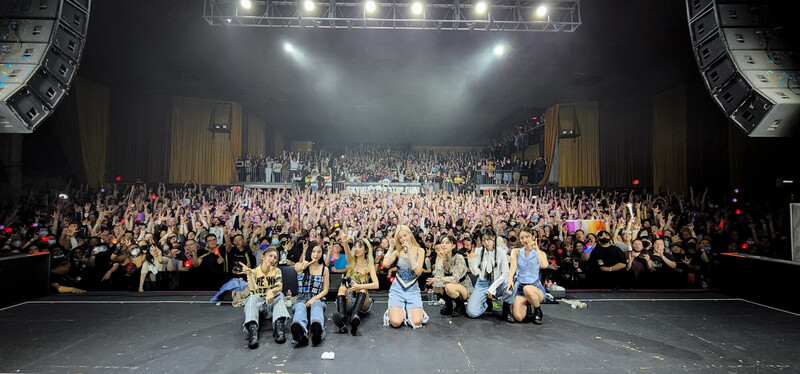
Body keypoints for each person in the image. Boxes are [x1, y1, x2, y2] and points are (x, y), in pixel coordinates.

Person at [237, 247, 290, 349]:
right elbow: (252, 290)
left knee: (280, 295)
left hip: (270, 305)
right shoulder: (254, 271)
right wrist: (249, 275)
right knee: (252, 298)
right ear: (262, 257)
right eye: (270, 256)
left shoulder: (277, 271)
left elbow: (279, 287)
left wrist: (271, 291)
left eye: (275, 257)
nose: (272, 259)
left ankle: (278, 327)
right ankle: (253, 331)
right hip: (258, 306)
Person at [331, 233, 379, 335]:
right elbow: (348, 252)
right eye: (355, 246)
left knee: (362, 290)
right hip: (350, 298)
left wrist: (359, 286)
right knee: (342, 288)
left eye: (360, 247)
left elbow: (376, 284)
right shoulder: (352, 262)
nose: (356, 249)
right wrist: (344, 242)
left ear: (366, 250)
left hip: (362, 302)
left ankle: (355, 317)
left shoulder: (369, 265)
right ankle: (342, 319)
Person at [383, 225, 428, 328]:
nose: (403, 238)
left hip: (413, 290)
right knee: (395, 322)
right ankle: (400, 311)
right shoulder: (397, 252)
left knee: (416, 322)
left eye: (405, 235)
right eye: (400, 237)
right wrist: (391, 247)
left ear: (410, 235)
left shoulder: (420, 251)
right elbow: (385, 265)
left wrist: (409, 253)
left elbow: (418, 271)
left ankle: (409, 310)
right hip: (397, 289)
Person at [465, 227, 514, 322]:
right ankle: (486, 303)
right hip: (483, 282)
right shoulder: (478, 251)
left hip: (497, 281)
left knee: (510, 283)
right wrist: (471, 261)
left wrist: (492, 289)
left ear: (493, 237)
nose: (486, 242)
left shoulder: (501, 252)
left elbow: (505, 273)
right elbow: (476, 273)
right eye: (484, 240)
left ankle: (506, 309)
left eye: (488, 239)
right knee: (472, 312)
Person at [290, 241, 329, 347]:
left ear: (322, 254)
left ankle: (317, 330)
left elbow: (325, 290)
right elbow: (297, 267)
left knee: (316, 305)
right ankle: (300, 333)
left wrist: (314, 299)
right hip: (301, 299)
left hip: (316, 299)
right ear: (309, 252)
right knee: (300, 307)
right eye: (313, 251)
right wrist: (302, 267)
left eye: (319, 252)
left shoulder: (324, 270)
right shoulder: (301, 265)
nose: (316, 254)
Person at [506, 227, 548, 324]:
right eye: (522, 238)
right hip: (521, 288)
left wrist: (536, 249)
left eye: (527, 237)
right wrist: (509, 280)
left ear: (533, 237)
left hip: (535, 288)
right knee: (518, 317)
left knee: (528, 289)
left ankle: (537, 310)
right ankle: (528, 303)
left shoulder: (540, 253)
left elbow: (544, 265)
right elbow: (512, 267)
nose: (525, 240)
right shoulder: (516, 252)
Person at [427, 235, 472, 317]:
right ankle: (449, 305)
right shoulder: (439, 257)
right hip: (448, 284)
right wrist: (440, 260)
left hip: (463, 286)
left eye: (447, 243)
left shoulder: (459, 257)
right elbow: (438, 276)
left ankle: (460, 306)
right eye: (442, 243)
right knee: (436, 286)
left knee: (449, 287)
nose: (443, 245)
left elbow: (455, 279)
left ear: (453, 246)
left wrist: (437, 280)